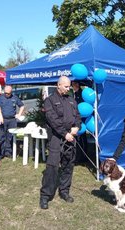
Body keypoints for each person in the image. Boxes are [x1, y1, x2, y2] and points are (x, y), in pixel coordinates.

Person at [40, 76, 81, 210]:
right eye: (66, 86)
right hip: (56, 138)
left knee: (68, 165)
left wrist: (77, 127)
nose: (68, 88)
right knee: (52, 167)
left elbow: (78, 117)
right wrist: (65, 134)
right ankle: (45, 196)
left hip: (70, 137)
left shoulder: (71, 100)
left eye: (69, 86)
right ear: (58, 85)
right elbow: (53, 120)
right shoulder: (49, 101)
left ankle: (64, 191)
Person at [0, 85, 24, 161]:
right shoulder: (0, 98)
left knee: (10, 137)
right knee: (1, 137)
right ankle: (0, 153)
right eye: (5, 93)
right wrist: (0, 117)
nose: (6, 94)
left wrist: (19, 114)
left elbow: (22, 106)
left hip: (12, 120)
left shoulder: (15, 97)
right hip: (3, 119)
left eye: (8, 93)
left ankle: (8, 152)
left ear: (11, 92)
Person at [71, 81, 88, 164]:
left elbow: (81, 107)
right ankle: (79, 156)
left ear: (77, 84)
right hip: (77, 118)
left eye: (73, 84)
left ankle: (82, 157)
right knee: (79, 139)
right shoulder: (76, 93)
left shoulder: (81, 94)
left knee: (81, 138)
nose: (71, 86)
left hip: (81, 119)